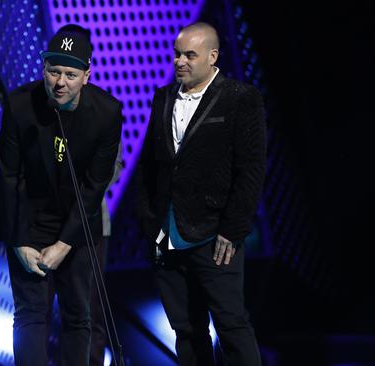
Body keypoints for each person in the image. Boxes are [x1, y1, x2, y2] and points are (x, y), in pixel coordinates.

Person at [137, 22, 265, 366]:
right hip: (167, 233)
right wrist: (149, 222)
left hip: (215, 235)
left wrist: (233, 229)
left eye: (189, 55)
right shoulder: (162, 97)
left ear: (213, 56)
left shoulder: (240, 98)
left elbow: (250, 171)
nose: (180, 61)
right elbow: (151, 165)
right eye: (177, 54)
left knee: (231, 324)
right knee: (186, 330)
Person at [0, 25, 123, 366]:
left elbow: (94, 185)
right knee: (30, 314)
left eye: (70, 73)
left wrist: (64, 244)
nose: (60, 82)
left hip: (78, 226)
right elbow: (10, 176)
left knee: (78, 315)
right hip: (31, 222)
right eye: (53, 71)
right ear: (43, 70)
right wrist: (20, 240)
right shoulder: (20, 105)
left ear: (87, 74)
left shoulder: (107, 112)